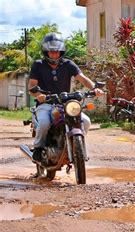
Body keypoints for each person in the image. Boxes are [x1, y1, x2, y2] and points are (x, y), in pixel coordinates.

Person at [28, 32, 103, 162]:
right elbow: (32, 86)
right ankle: (39, 148)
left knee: (85, 121)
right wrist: (39, 95)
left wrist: (93, 89)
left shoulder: (68, 64)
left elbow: (83, 79)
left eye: (57, 51)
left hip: (65, 103)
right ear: (46, 52)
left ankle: (77, 147)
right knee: (45, 123)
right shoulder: (38, 65)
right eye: (51, 52)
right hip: (46, 104)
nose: (54, 54)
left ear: (61, 51)